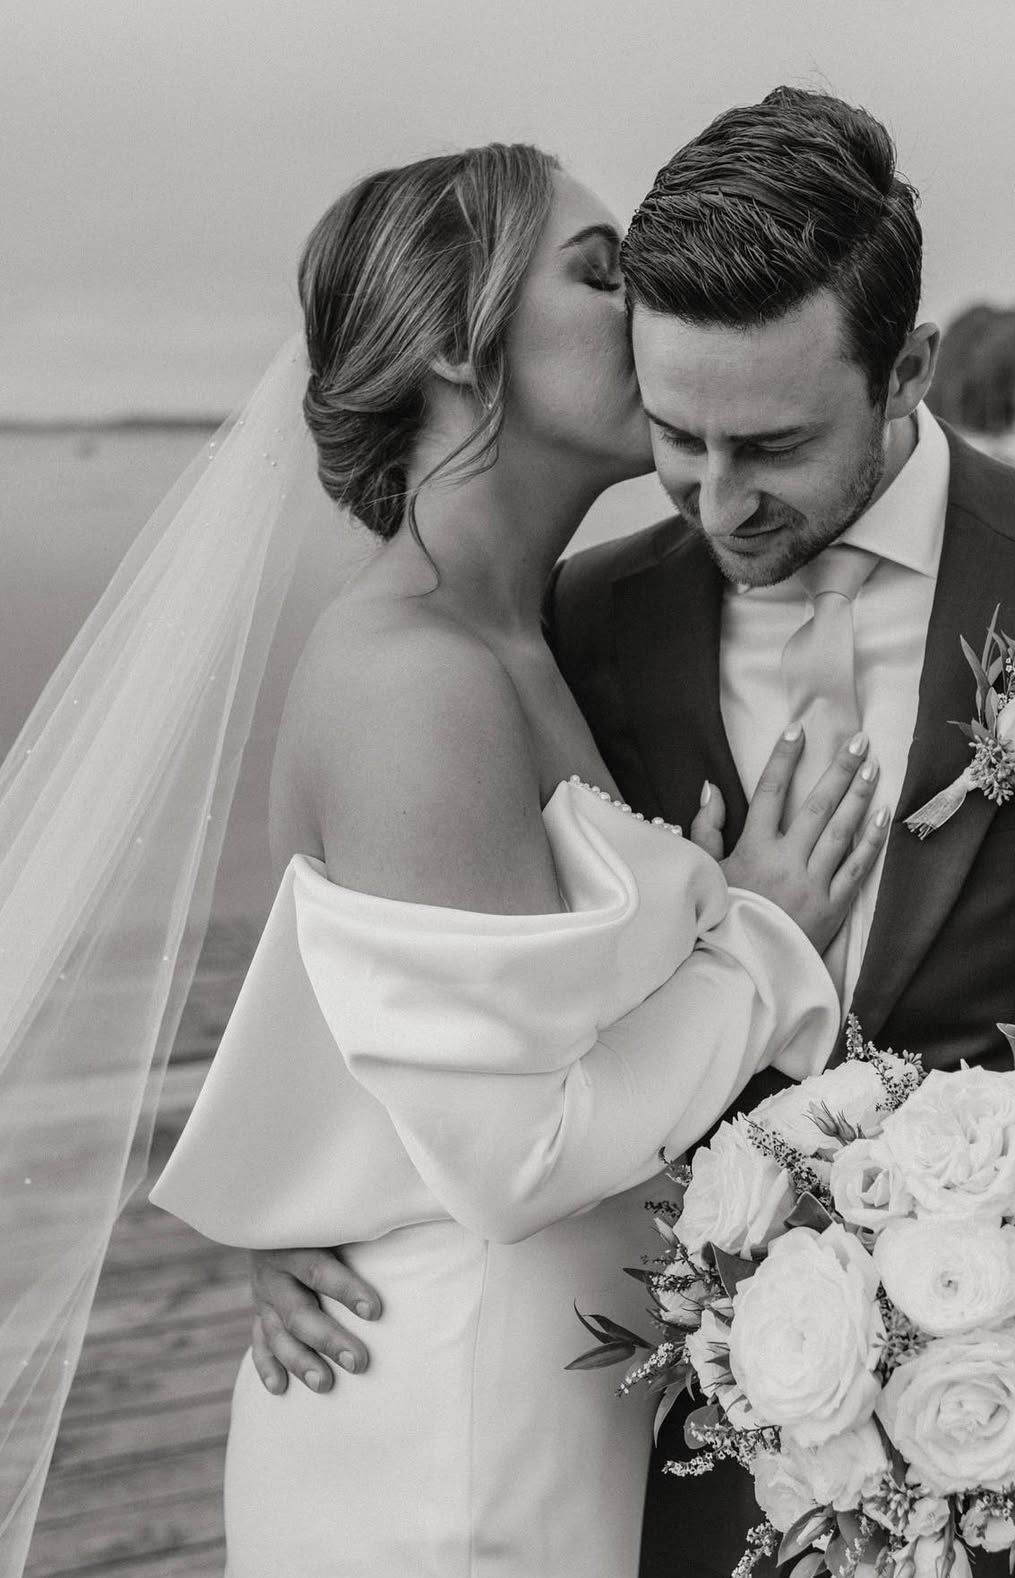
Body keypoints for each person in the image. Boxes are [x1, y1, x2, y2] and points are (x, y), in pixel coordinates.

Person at [255, 91, 1015, 1576]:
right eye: (677, 438)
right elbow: (427, 960)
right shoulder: (578, 619)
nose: (718, 499)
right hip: (682, 1442)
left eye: (773, 445)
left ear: (905, 372)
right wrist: (284, 1200)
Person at [146, 142, 891, 1577]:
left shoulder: (516, 638)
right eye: (601, 270)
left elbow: (385, 1035)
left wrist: (311, 1186)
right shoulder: (408, 678)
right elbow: (511, 1152)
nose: (652, 300)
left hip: (537, 1403)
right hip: (446, 1432)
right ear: (446, 341)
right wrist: (761, 934)